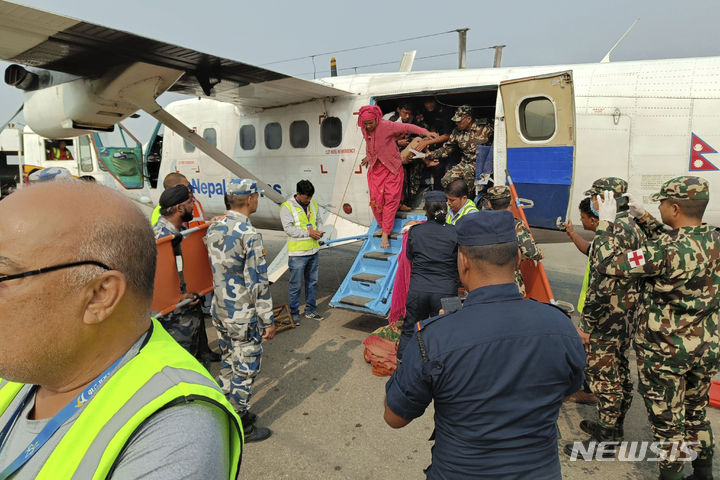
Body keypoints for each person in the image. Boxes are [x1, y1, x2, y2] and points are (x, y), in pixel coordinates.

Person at [0, 181, 242, 479]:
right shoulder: (30, 364)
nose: (193, 206)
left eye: (2, 276)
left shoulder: (175, 433)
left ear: (100, 295)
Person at [384, 210, 585, 479]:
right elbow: (568, 389)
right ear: (517, 259)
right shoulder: (561, 326)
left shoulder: (435, 337)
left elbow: (395, 417)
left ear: (463, 261)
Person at [593, 176, 720, 480]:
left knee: (668, 423)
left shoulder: (662, 249)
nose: (659, 207)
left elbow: (606, 262)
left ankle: (671, 475)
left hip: (665, 352)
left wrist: (605, 224)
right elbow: (680, 244)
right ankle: (702, 473)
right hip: (705, 347)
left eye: (661, 203)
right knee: (696, 413)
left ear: (675, 207)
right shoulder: (714, 239)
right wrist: (644, 218)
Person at [562, 178, 645, 456]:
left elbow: (601, 283)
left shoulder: (607, 232)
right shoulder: (634, 228)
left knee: (604, 376)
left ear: (604, 199)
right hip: (627, 314)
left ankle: (606, 441)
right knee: (620, 371)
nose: (594, 203)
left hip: (605, 317)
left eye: (595, 198)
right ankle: (613, 426)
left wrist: (586, 325)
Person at [205, 178, 276, 443]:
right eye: (257, 196)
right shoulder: (249, 235)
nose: (257, 200)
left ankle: (225, 408)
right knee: (246, 366)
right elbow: (257, 282)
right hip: (242, 314)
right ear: (249, 200)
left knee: (228, 359)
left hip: (220, 309)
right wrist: (268, 319)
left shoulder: (214, 228)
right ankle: (239, 422)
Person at [357, 105, 436, 249]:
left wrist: (425, 132)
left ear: (377, 119)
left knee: (391, 200)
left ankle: (386, 232)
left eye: (370, 123)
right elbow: (373, 144)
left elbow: (408, 127)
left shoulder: (387, 126)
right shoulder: (365, 128)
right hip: (376, 169)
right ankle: (383, 225)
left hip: (392, 169)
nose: (368, 126)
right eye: (365, 124)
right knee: (376, 200)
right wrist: (368, 157)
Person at [396, 190, 458, 361]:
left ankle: (403, 367)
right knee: (447, 332)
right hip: (446, 290)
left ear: (426, 211)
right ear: (446, 210)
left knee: (410, 330)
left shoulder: (416, 232)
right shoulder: (455, 232)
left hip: (419, 290)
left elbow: (409, 257)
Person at [152, 185, 204, 356]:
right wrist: (179, 298)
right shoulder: (159, 239)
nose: (193, 205)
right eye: (190, 202)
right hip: (174, 319)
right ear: (179, 208)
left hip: (189, 310)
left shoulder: (181, 232)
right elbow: (155, 282)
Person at [561, 197, 599, 406]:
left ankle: (593, 393)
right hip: (600, 311)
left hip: (597, 312)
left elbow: (603, 286)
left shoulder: (607, 241)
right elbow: (588, 249)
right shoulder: (604, 239)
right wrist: (572, 233)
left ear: (593, 220)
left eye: (583, 218)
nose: (581, 221)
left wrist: (587, 324)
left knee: (594, 355)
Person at [485, 185, 544, 297]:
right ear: (511, 203)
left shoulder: (481, 224)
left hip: (485, 280)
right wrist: (540, 253)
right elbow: (530, 252)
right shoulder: (516, 225)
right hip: (510, 282)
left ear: (489, 204)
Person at [280, 179, 325, 324]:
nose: (309, 200)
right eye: (306, 197)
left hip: (313, 251)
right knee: (296, 285)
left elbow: (319, 220)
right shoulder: (287, 207)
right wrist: (309, 233)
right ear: (298, 194)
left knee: (312, 283)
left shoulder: (313, 204)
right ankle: (294, 314)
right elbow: (288, 229)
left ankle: (310, 311)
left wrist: (320, 231)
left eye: (310, 197)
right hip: (298, 255)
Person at [424, 105, 493, 190]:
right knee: (446, 180)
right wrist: (429, 155)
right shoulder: (456, 131)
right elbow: (447, 149)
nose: (456, 123)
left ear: (469, 119)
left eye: (459, 121)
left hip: (483, 165)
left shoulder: (485, 127)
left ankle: (468, 200)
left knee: (468, 184)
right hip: (466, 164)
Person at [413, 98, 454, 190]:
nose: (428, 105)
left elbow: (447, 135)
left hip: (449, 146)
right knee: (435, 167)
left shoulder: (445, 112)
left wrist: (427, 142)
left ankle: (442, 194)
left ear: (436, 101)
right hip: (437, 145)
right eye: (426, 102)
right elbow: (433, 127)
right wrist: (430, 136)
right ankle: (435, 193)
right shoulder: (429, 112)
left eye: (430, 102)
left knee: (442, 168)